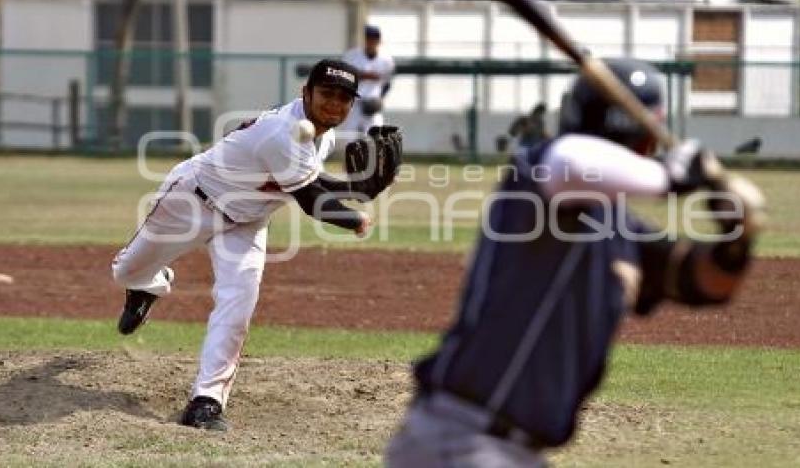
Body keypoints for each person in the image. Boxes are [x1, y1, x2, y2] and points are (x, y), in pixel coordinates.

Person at [385, 58, 765, 467]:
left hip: (507, 451)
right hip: (464, 440)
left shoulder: (621, 231)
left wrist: (736, 240)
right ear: (648, 142)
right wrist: (671, 176)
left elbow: (705, 284)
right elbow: (572, 161)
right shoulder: (535, 179)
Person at [111, 58, 402, 432]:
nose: (335, 104)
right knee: (125, 271)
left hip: (246, 222)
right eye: (327, 93)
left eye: (345, 98)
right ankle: (146, 285)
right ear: (306, 93)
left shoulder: (322, 134)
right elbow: (312, 200)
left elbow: (310, 179)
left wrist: (359, 188)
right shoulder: (282, 132)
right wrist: (356, 213)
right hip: (192, 201)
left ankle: (206, 402)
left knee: (238, 301)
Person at [341, 24, 396, 137]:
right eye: (369, 37)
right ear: (365, 39)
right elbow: (343, 77)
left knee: (375, 138)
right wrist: (361, 76)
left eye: (375, 38)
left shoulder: (386, 60)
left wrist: (381, 99)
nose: (372, 41)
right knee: (349, 137)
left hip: (372, 103)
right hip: (354, 103)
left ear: (379, 40)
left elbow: (387, 83)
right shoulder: (352, 56)